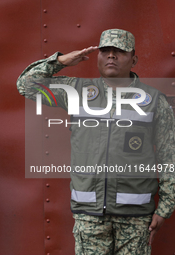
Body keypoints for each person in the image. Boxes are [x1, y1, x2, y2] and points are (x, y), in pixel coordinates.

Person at [17, 29, 175, 254]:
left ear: (134, 60)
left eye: (119, 51)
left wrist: (165, 208)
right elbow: (26, 84)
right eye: (105, 51)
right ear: (98, 57)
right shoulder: (77, 91)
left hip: (136, 219)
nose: (111, 56)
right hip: (89, 217)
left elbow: (170, 155)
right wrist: (61, 60)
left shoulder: (153, 101)